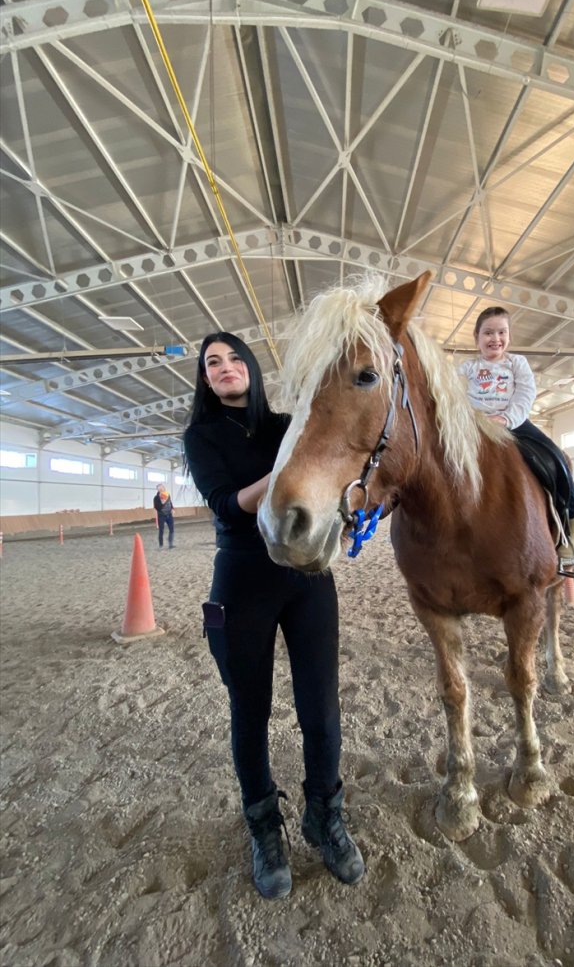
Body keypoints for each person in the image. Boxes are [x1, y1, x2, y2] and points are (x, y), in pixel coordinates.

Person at [183, 332, 364, 900]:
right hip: (241, 574)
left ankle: (324, 815)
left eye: (234, 357)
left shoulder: (289, 425)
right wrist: (289, 473)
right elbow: (226, 503)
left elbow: (330, 482)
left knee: (321, 705)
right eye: (213, 363)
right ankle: (263, 825)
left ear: (252, 368)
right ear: (206, 379)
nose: (225, 367)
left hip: (307, 575)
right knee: (250, 709)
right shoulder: (201, 435)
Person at [458, 306, 574, 568]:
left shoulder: (517, 363)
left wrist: (506, 419)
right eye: (488, 333)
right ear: (476, 337)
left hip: (514, 422)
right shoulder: (467, 368)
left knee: (553, 456)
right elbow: (454, 396)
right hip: (475, 426)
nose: (495, 338)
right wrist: (471, 420)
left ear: (509, 336)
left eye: (502, 332)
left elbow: (525, 393)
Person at [153, 483, 175, 549]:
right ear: (158, 489)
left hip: (169, 515)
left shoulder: (167, 495)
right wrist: (162, 501)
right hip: (161, 516)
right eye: (161, 488)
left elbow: (170, 503)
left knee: (172, 529)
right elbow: (157, 507)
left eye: (163, 487)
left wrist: (172, 509)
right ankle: (161, 545)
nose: (163, 488)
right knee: (161, 530)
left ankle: (170, 544)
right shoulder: (156, 498)